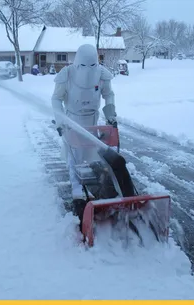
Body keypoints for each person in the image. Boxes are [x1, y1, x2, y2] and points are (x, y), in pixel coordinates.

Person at [51, 44, 117, 219]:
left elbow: (108, 94)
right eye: (84, 66)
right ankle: (76, 189)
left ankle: (100, 184)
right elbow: (56, 98)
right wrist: (60, 121)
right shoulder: (67, 74)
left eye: (92, 65)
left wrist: (110, 114)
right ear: (77, 63)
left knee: (95, 153)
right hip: (72, 120)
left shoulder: (102, 74)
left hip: (93, 120)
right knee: (75, 154)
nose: (89, 70)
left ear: (97, 62)